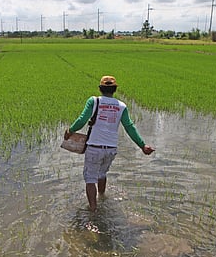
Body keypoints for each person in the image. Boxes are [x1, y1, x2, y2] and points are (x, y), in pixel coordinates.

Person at [64, 75, 155, 212]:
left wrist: (70, 130)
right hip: (111, 149)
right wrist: (142, 145)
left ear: (100, 88)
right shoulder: (121, 106)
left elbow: (82, 119)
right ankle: (102, 197)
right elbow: (129, 127)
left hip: (94, 147)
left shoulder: (94, 101)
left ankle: (93, 210)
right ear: (114, 89)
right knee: (102, 174)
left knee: (90, 179)